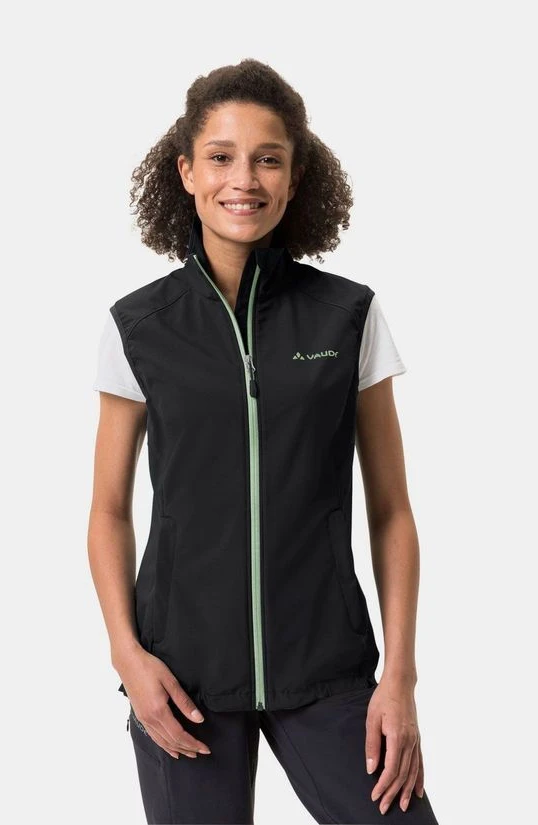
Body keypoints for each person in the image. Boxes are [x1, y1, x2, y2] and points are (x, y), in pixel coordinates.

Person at [88, 58, 440, 825]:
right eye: (220, 157)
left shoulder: (348, 316)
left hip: (329, 669)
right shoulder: (139, 327)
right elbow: (109, 508)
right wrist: (128, 656)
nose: (243, 179)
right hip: (182, 681)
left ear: (294, 176)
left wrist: (400, 678)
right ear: (185, 171)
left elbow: (391, 510)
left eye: (268, 159)